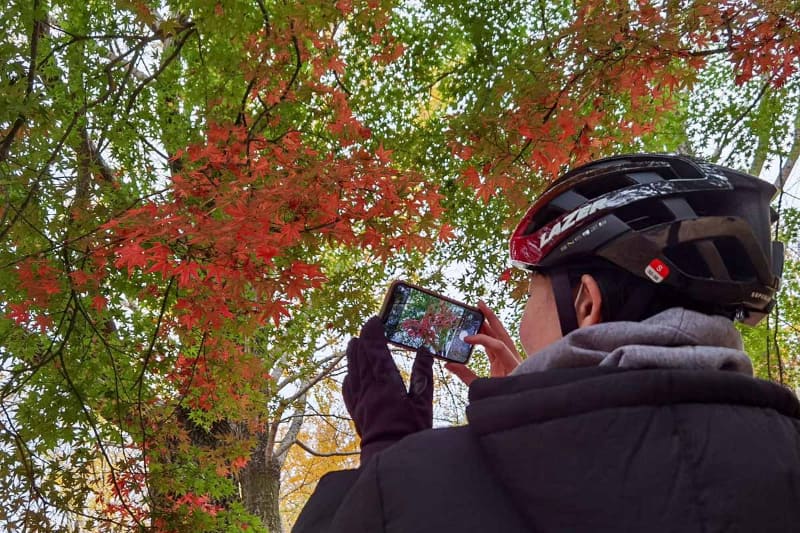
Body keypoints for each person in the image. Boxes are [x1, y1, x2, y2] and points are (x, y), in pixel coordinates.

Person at [293, 153, 800, 533]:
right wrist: (534, 399)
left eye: (529, 290)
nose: (519, 317)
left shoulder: (421, 478)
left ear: (585, 302)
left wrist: (387, 453)